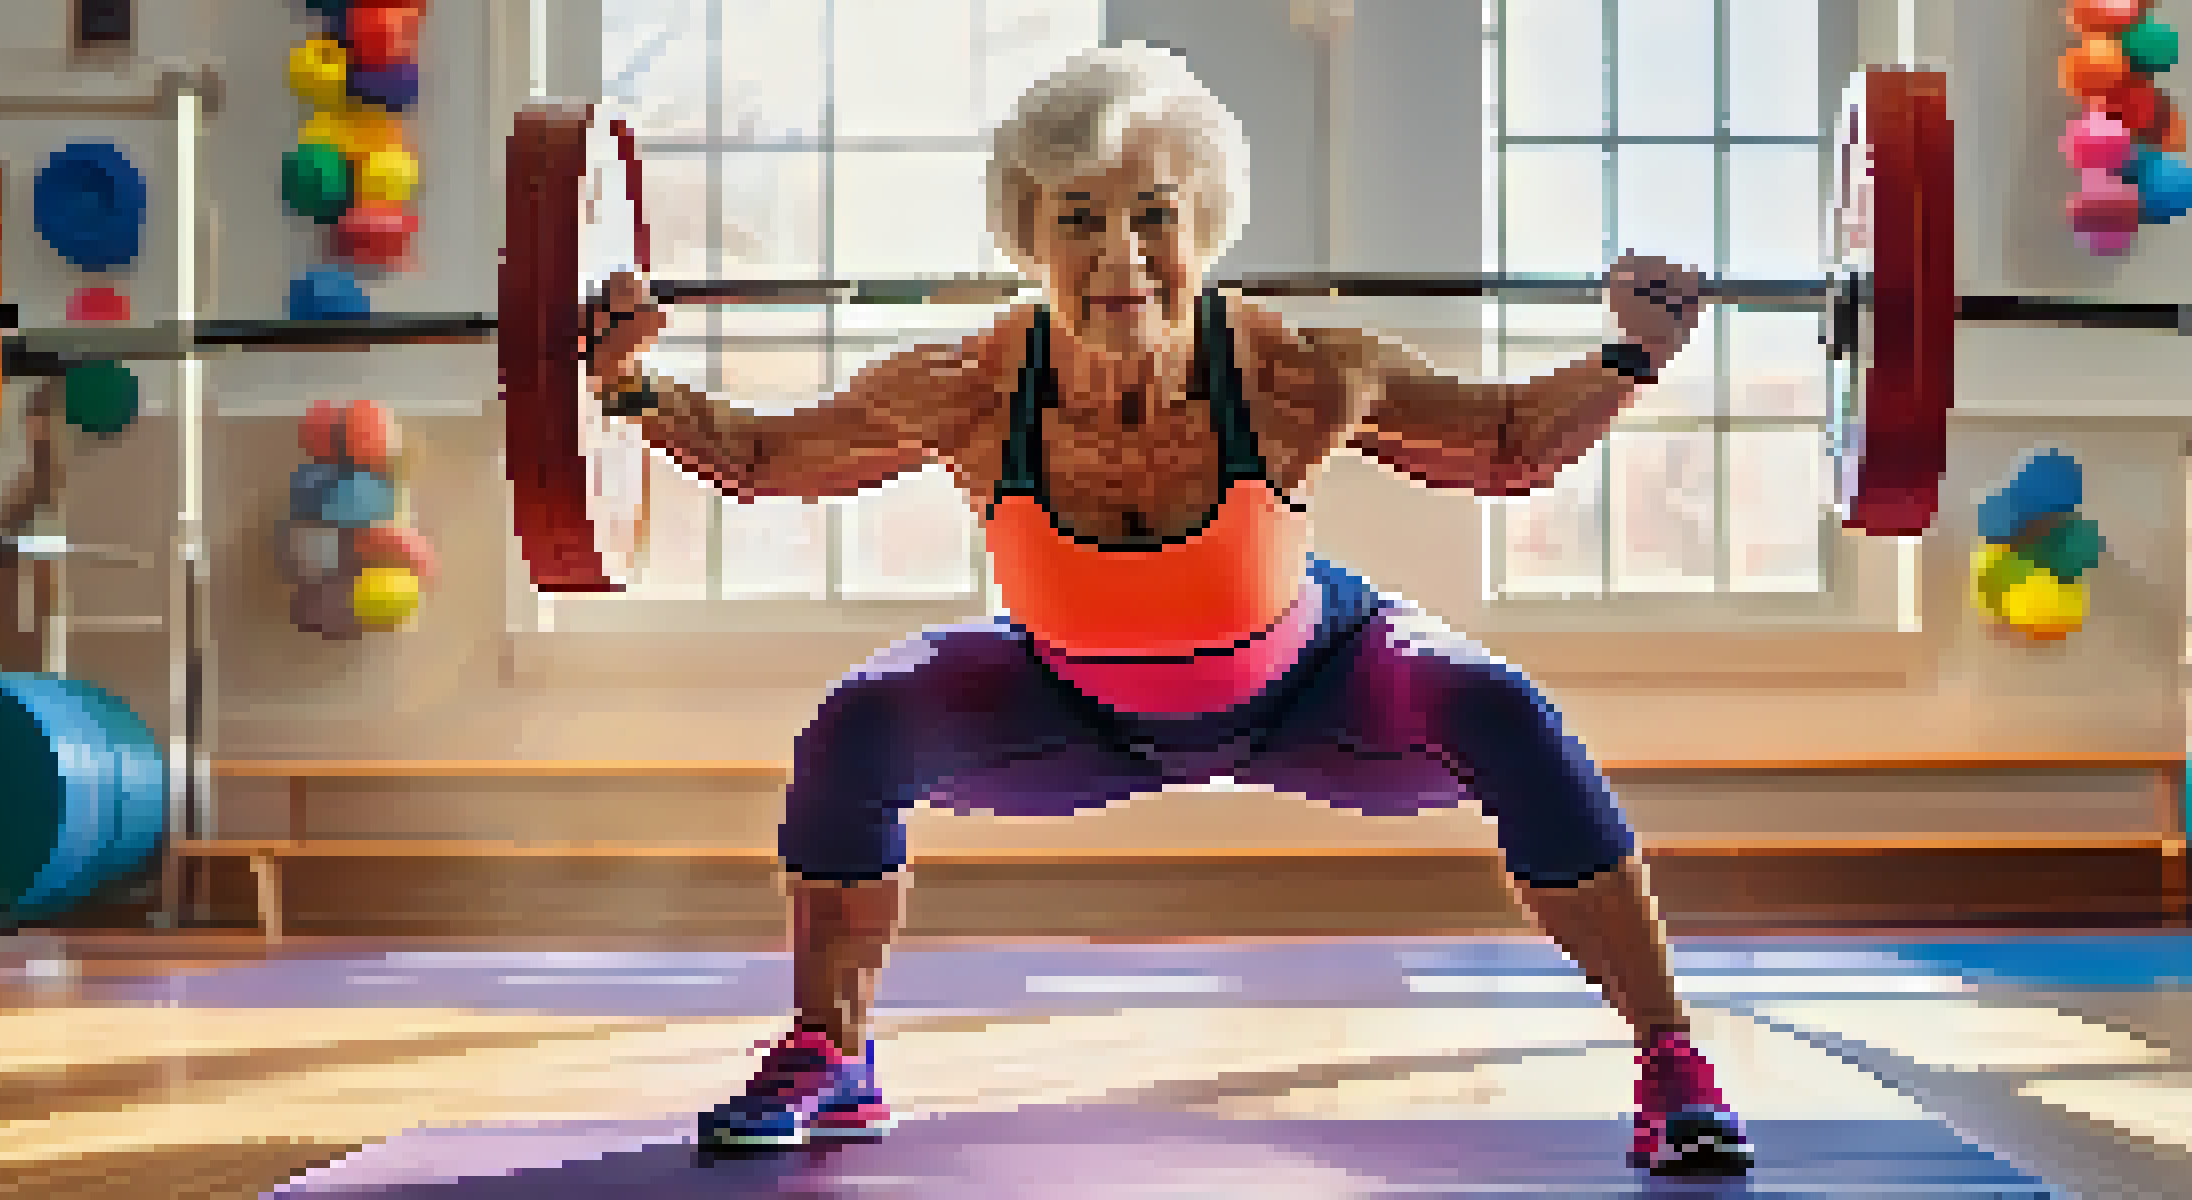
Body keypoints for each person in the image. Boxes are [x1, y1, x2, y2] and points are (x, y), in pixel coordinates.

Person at [583, 43, 1752, 1177]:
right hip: (1068, 702)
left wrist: (1632, 353)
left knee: (1503, 712)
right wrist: (627, 379)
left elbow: (1501, 445)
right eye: (1080, 219)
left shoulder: (1297, 376)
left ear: (1206, 219)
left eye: (1152, 213)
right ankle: (831, 1051)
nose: (1121, 257)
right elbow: (765, 460)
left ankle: (1674, 1064)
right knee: (859, 725)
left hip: (1314, 685)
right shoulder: (966, 390)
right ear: (1027, 234)